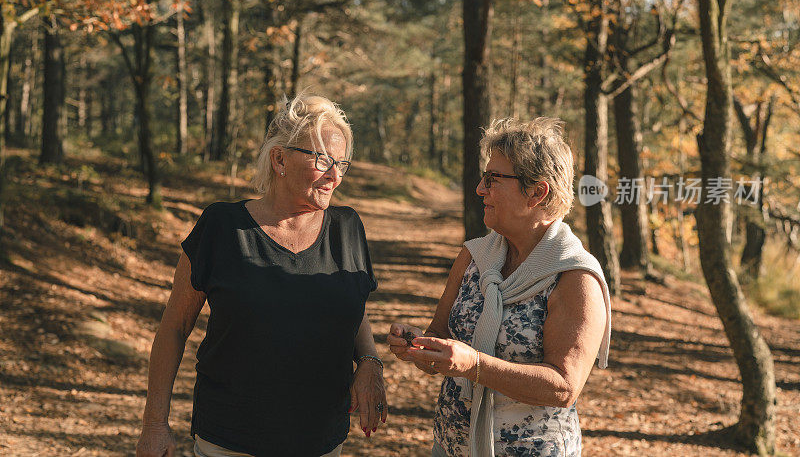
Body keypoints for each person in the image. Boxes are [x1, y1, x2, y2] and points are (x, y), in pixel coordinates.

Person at [136, 95, 387, 457]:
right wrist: (155, 424)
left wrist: (368, 360)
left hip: (322, 442)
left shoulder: (347, 228)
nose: (335, 176)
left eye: (342, 163)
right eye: (323, 160)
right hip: (229, 441)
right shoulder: (222, 228)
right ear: (279, 159)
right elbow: (175, 326)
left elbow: (351, 303)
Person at [388, 117, 611, 457]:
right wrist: (418, 345)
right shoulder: (473, 257)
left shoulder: (574, 277)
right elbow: (441, 338)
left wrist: (474, 364)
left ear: (537, 192)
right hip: (450, 448)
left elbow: (564, 387)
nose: (480, 189)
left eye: (493, 180)